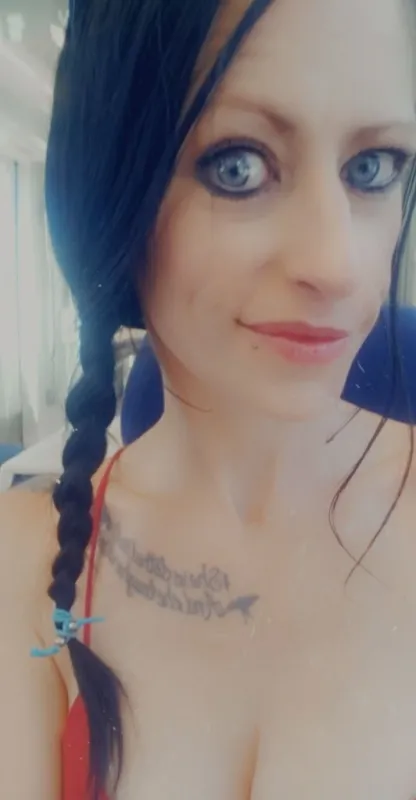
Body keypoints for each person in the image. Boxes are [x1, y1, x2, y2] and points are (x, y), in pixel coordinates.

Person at [1, 0, 416, 797]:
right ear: (112, 194)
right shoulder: (25, 565)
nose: (337, 263)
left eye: (373, 168)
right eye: (238, 166)